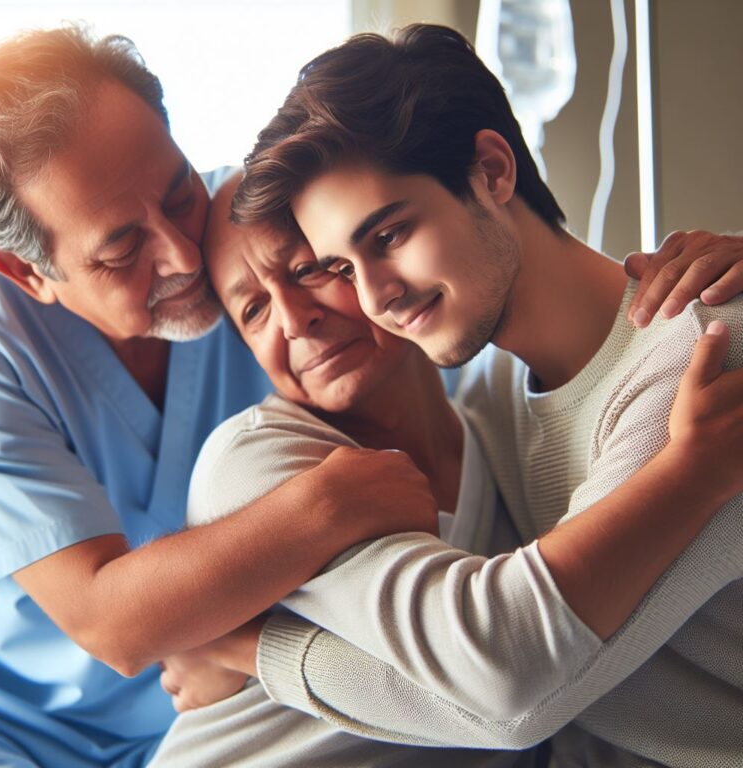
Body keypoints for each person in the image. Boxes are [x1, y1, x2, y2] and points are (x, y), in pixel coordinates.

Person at [230, 24, 743, 767]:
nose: (376, 297)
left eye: (390, 234)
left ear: (493, 171)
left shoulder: (702, 359)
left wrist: (247, 647)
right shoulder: (493, 400)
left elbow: (507, 678)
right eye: (341, 266)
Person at [0, 26, 439, 767]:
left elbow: (453, 315)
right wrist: (335, 500)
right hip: (17, 735)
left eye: (179, 192)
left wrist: (642, 294)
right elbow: (112, 624)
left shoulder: (250, 236)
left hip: (233, 706)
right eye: (124, 248)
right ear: (29, 274)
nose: (185, 256)